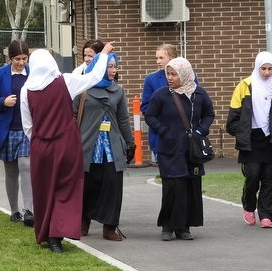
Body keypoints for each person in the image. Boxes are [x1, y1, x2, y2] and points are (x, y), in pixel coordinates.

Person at [20, 42, 115, 253]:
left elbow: (28, 126)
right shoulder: (65, 81)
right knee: (66, 188)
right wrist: (104, 54)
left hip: (41, 147)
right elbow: (95, 76)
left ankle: (46, 232)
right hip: (67, 144)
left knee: (44, 190)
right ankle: (57, 235)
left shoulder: (26, 90)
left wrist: (40, 140)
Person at [145, 57, 215, 241]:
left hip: (191, 149)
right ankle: (167, 227)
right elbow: (150, 116)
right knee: (172, 186)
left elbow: (209, 114)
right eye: (168, 74)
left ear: (184, 74)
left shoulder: (199, 94)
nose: (170, 77)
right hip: (169, 148)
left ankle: (184, 227)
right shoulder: (161, 95)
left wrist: (201, 130)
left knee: (190, 186)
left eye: (174, 74)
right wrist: (163, 131)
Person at [74, 52, 135, 241]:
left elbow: (123, 119)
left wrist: (130, 142)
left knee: (112, 186)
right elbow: (73, 116)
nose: (113, 70)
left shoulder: (118, 90)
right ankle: (83, 223)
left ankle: (109, 227)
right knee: (87, 186)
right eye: (109, 66)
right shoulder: (82, 89)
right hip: (88, 147)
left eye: (115, 66)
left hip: (111, 147)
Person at [225, 51, 272, 228]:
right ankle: (249, 206)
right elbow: (233, 116)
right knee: (253, 176)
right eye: (263, 68)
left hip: (269, 139)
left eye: (270, 68)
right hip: (250, 139)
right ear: (257, 67)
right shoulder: (244, 85)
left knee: (269, 179)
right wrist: (240, 132)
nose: (266, 72)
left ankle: (266, 215)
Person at [0, 39, 33, 226]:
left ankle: (29, 210)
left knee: (26, 166)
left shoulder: (33, 73)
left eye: (24, 59)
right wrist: (2, 102)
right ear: (10, 58)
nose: (21, 63)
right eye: (17, 59)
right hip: (6, 129)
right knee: (11, 171)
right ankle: (14, 210)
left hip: (27, 129)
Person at [141, 43, 179, 165]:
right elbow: (145, 107)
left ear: (172, 58)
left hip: (183, 133)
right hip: (161, 134)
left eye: (161, 58)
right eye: (157, 58)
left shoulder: (189, 76)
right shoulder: (151, 79)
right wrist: (160, 127)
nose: (158, 61)